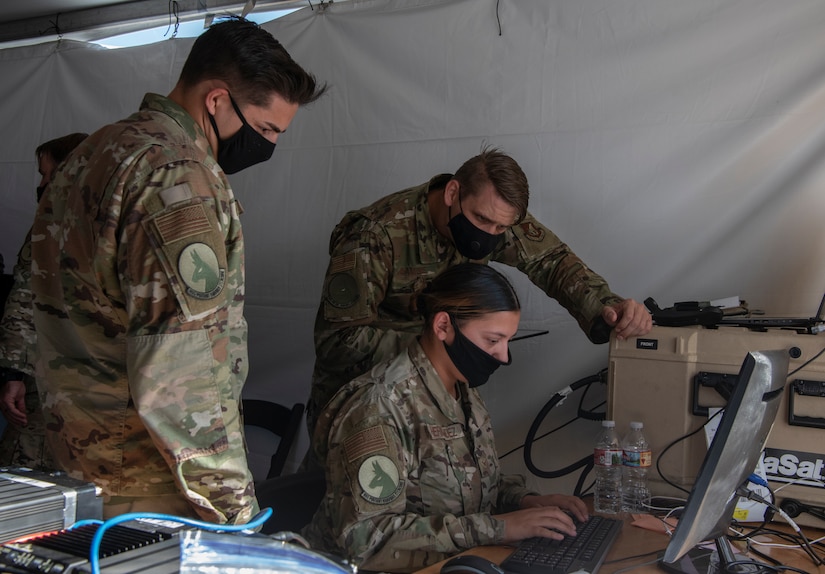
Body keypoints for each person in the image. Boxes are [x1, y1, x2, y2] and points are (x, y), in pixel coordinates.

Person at [30, 17, 326, 524]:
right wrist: (235, 513)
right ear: (216, 99)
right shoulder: (175, 177)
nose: (269, 147)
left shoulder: (94, 151)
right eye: (265, 130)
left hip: (73, 452)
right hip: (144, 482)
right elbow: (182, 374)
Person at [307, 146, 651, 435]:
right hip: (361, 402)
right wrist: (438, 347)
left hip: (438, 396)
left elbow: (552, 261)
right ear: (453, 193)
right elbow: (337, 341)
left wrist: (606, 307)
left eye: (501, 227)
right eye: (483, 221)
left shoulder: (497, 217)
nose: (490, 233)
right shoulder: (375, 235)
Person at [304, 263, 589, 573]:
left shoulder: (462, 390)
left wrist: (523, 503)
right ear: (443, 326)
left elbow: (471, 487)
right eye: (493, 340)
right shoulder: (380, 407)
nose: (504, 356)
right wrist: (499, 529)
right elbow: (367, 540)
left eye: (507, 341)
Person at [0, 132, 88, 469]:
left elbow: (25, 302)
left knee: (25, 475)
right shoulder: (121, 222)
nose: (43, 182)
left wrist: (11, 374)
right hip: (92, 393)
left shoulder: (53, 225)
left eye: (47, 173)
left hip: (52, 383)